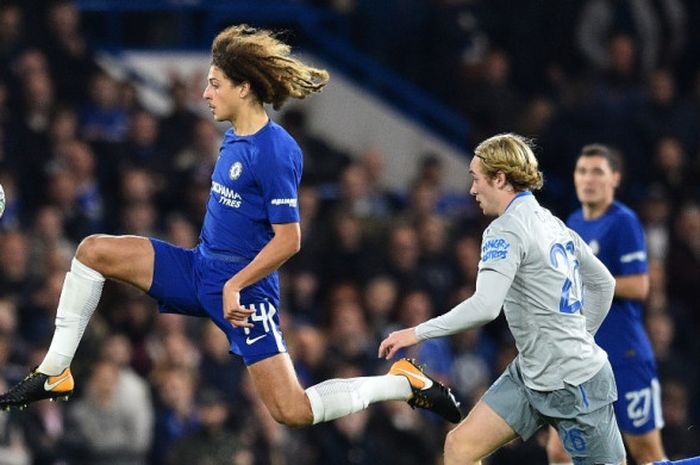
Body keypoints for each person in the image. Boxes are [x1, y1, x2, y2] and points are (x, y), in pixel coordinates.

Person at [0, 24, 460, 427]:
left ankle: (401, 383)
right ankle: (55, 372)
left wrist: (236, 284)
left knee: (292, 410)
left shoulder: (276, 151)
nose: (205, 94)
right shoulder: (232, 136)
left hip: (245, 295)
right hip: (201, 270)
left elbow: (290, 239)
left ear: (244, 88)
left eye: (215, 84)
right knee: (93, 250)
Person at [379, 133, 626, 465]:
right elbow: (603, 283)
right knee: (461, 447)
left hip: (575, 384)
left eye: (476, 179)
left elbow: (485, 307)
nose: (472, 190)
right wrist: (579, 335)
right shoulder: (551, 223)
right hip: (531, 374)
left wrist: (416, 332)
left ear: (500, 178)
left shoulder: (505, 230)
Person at [546, 144, 667, 465]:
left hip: (624, 355)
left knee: (645, 452)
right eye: (582, 171)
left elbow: (640, 285)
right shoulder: (573, 222)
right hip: (582, 356)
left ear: (615, 178)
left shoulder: (623, 221)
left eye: (597, 171)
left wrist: (585, 286)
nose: (588, 178)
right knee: (559, 451)